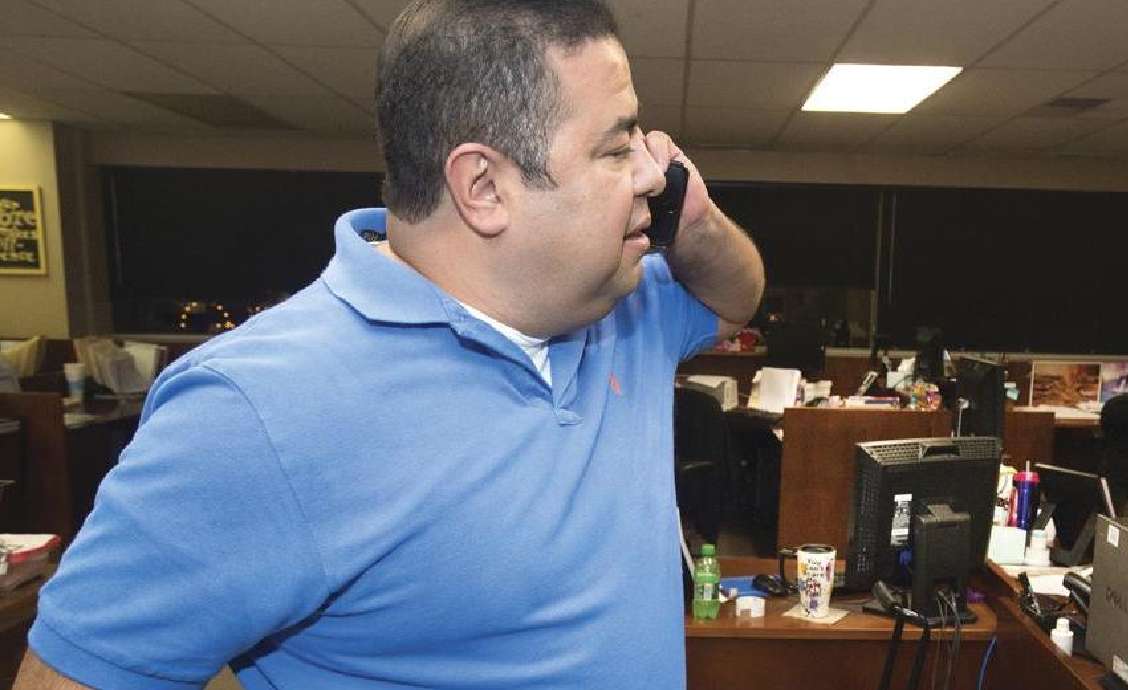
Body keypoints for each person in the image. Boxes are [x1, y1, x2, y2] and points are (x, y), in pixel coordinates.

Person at [15, 0, 764, 688]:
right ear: (484, 187)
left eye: (639, 136)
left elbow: (735, 298)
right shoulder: (255, 410)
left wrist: (693, 222)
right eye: (613, 149)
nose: (650, 170)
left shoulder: (620, 300)